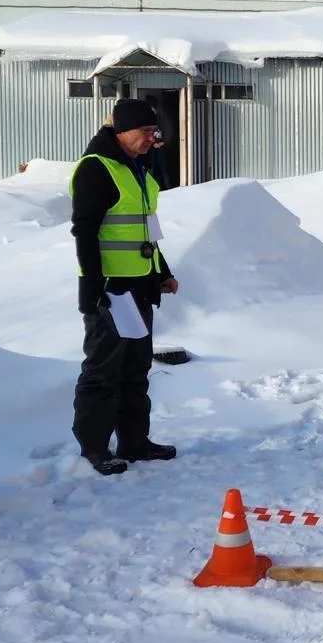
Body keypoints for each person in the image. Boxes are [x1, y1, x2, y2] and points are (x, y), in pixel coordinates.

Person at [69, 98, 181, 475]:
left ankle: (135, 441)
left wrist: (161, 271)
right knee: (103, 371)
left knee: (136, 369)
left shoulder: (139, 170)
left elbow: (146, 227)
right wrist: (93, 284)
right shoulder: (97, 169)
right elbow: (84, 231)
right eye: (146, 132)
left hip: (139, 285)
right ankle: (95, 448)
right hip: (110, 289)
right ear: (121, 131)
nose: (153, 138)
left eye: (155, 132)